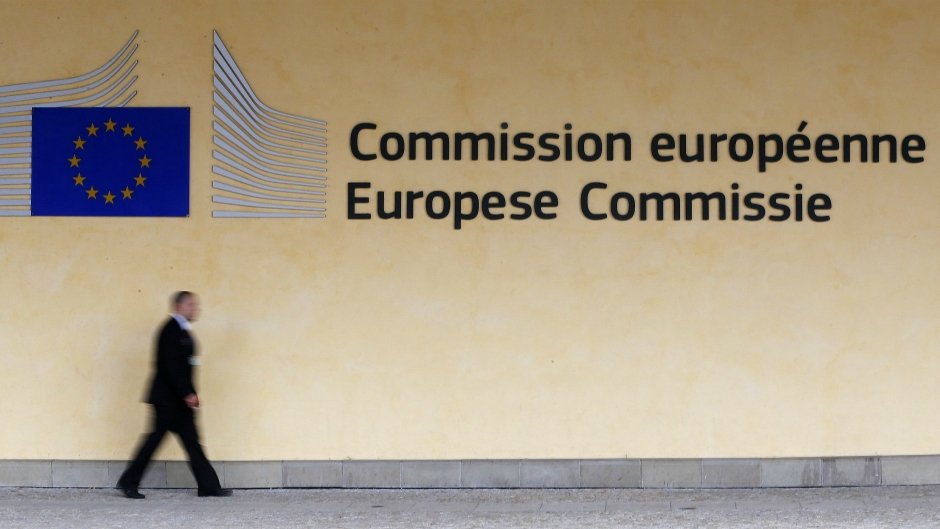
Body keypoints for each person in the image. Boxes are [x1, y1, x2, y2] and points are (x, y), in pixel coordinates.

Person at [117, 291, 232, 499]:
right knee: (154, 441)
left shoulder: (182, 331)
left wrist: (189, 393)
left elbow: (185, 366)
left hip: (178, 401)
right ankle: (128, 482)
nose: (195, 309)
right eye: (191, 305)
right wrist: (187, 393)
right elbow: (170, 366)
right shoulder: (170, 330)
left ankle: (208, 486)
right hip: (167, 401)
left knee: (192, 443)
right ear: (179, 306)